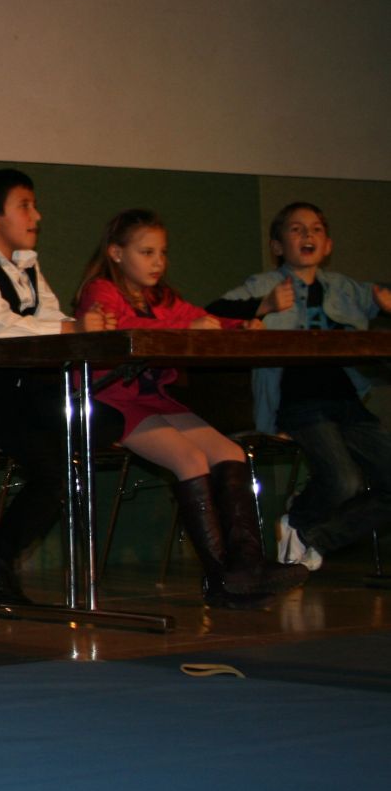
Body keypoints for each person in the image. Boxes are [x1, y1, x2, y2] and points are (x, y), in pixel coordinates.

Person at [74, 210, 306, 605]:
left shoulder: (162, 298)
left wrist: (241, 325)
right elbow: (122, 330)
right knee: (190, 460)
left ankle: (247, 567)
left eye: (162, 253)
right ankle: (220, 578)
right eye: (147, 252)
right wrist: (184, 329)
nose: (158, 262)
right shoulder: (100, 292)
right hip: (113, 400)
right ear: (116, 253)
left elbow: (202, 319)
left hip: (152, 399)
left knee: (231, 453)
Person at [0, 169, 110, 608]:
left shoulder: (26, 265)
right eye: (25, 206)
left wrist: (85, 327)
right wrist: (72, 328)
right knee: (55, 471)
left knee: (105, 420)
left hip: (16, 393)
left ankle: (4, 551)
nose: (37, 215)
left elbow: (52, 319)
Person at [210, 202, 391, 571]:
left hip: (346, 400)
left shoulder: (345, 288)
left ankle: (311, 535)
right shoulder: (264, 284)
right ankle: (304, 520)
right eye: (296, 229)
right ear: (277, 246)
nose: (308, 235)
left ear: (328, 245)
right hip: (299, 401)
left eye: (316, 229)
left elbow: (380, 295)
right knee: (344, 482)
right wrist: (262, 306)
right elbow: (212, 312)